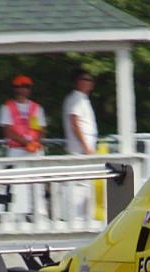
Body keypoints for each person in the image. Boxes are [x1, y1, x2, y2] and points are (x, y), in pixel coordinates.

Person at [0, 74, 47, 219]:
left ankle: (39, 215)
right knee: (16, 184)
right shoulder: (7, 107)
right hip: (16, 150)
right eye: (20, 86)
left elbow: (41, 129)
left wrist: (35, 142)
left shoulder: (36, 108)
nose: (23, 89)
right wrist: (26, 142)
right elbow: (8, 130)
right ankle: (14, 216)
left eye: (26, 86)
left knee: (38, 184)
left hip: (33, 150)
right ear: (15, 89)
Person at [62, 69, 99, 223]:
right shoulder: (75, 98)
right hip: (80, 150)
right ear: (78, 82)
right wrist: (86, 147)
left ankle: (85, 217)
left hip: (85, 149)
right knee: (79, 185)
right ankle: (76, 218)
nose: (88, 82)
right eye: (85, 79)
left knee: (86, 186)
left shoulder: (83, 99)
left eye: (90, 80)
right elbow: (75, 123)